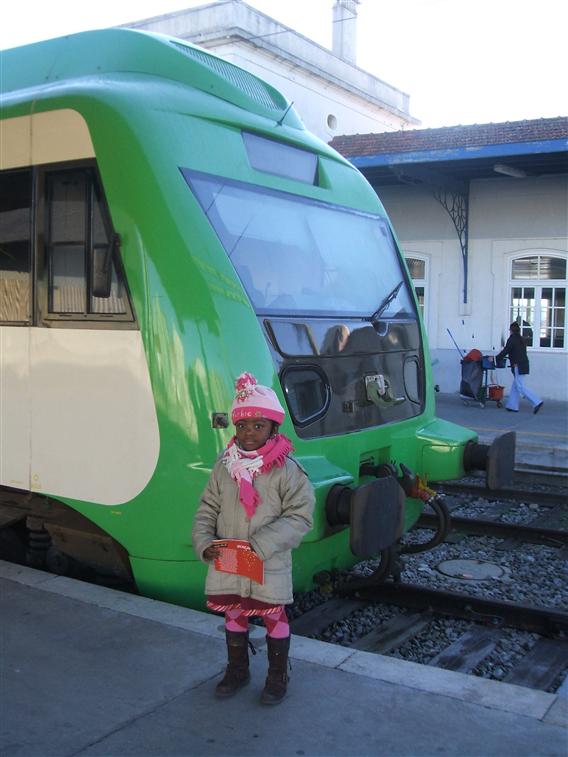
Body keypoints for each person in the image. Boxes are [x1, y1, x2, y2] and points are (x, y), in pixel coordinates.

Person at [192, 372, 315, 705]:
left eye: (258, 426)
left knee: (274, 614)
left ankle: (277, 676)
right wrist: (204, 542)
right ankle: (237, 670)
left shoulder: (288, 471)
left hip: (267, 561)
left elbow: (300, 517)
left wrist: (261, 545)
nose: (249, 434)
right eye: (243, 427)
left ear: (274, 428)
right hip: (229, 560)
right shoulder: (223, 466)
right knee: (234, 612)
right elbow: (208, 507)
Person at [496, 322, 543, 414]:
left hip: (518, 366)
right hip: (523, 365)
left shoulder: (512, 339)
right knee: (516, 385)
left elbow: (506, 351)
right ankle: (512, 406)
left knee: (520, 386)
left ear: (511, 331)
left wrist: (495, 358)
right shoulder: (521, 339)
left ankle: (537, 401)